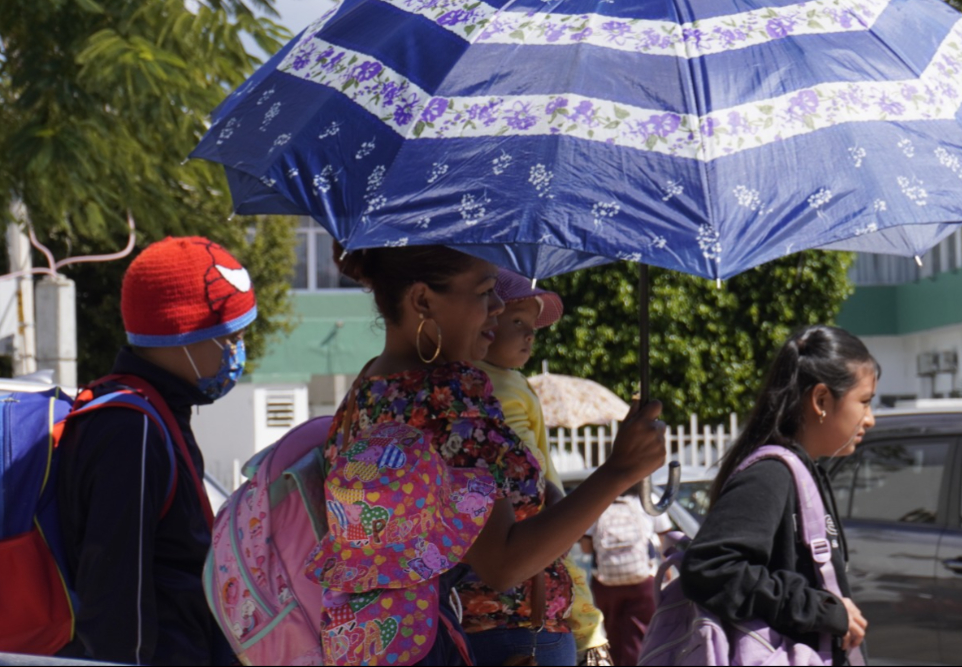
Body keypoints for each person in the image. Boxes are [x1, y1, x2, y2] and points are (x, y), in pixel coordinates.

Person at [319, 243, 667, 666]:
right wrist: (618, 472)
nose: (499, 306)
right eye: (485, 291)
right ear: (423, 300)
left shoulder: (369, 387)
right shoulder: (446, 397)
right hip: (500, 645)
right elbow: (503, 564)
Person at [56, 236, 257, 665]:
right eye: (229, 338)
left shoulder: (155, 412)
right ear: (180, 335)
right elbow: (115, 596)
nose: (237, 354)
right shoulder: (132, 428)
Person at [680, 326, 878, 666]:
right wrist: (819, 608)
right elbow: (710, 568)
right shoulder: (770, 475)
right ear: (820, 400)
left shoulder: (800, 471)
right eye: (864, 401)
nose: (870, 419)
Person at [473, 268, 612, 666]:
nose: (530, 334)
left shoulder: (509, 382)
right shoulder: (489, 387)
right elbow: (526, 485)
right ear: (486, 317)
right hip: (521, 609)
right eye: (517, 322)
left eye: (532, 326)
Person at [584, 486, 672, 666]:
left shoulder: (598, 502)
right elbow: (666, 536)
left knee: (613, 637)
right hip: (643, 581)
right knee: (643, 636)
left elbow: (585, 547)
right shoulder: (648, 499)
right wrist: (666, 567)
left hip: (605, 583)